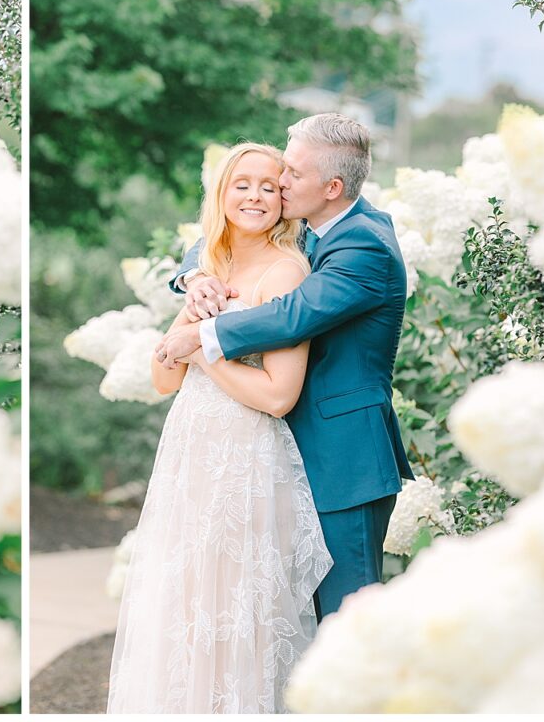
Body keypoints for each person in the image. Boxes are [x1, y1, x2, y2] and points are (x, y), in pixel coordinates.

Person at [155, 113, 413, 620]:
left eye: (291, 174)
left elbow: (292, 315)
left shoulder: (363, 246)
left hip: (344, 463)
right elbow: (229, 233)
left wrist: (203, 338)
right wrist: (194, 275)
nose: (279, 183)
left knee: (346, 627)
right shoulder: (320, 227)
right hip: (284, 458)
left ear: (332, 186)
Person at [107, 142, 333, 713]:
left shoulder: (287, 273)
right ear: (222, 193)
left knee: (235, 611)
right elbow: (163, 379)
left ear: (284, 199)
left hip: (245, 460)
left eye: (268, 185)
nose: (255, 195)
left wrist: (202, 350)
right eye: (242, 183)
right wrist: (188, 310)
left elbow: (279, 396)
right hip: (190, 456)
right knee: (184, 606)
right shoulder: (208, 269)